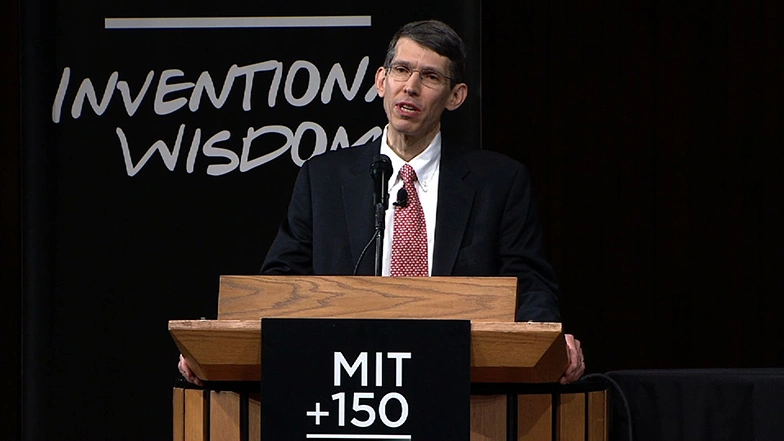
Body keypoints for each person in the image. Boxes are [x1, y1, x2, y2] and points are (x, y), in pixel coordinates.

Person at [179, 19, 584, 386]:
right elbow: (282, 283)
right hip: (344, 380)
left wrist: (548, 338)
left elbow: (528, 281)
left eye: (429, 76)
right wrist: (223, 346)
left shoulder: (498, 181)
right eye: (401, 70)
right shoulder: (324, 178)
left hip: (459, 380)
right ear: (380, 80)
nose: (410, 86)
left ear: (456, 96)